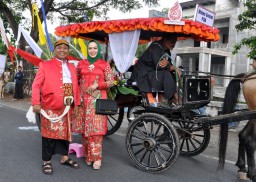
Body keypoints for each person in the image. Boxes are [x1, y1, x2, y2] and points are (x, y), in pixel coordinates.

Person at [31, 39, 81, 175]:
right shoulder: (45, 65)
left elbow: (75, 86)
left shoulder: (71, 67)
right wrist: (35, 102)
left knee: (66, 133)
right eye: (59, 48)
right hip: (50, 106)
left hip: (67, 106)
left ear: (68, 50)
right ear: (55, 50)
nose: (63, 50)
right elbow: (36, 85)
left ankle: (64, 157)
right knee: (49, 135)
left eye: (65, 48)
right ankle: (46, 161)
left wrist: (76, 103)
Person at [74, 39, 114, 170]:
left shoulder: (104, 64)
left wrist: (98, 84)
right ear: (87, 50)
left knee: (96, 129)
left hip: (97, 101)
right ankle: (88, 155)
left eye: (95, 48)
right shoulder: (81, 63)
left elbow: (111, 82)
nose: (92, 51)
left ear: (98, 49)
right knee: (85, 128)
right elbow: (75, 79)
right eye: (90, 48)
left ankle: (96, 157)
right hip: (83, 100)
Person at [128, 35, 179, 106]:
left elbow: (168, 65)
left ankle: (169, 96)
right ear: (165, 40)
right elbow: (160, 66)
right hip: (143, 75)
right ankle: (175, 97)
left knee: (172, 73)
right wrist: (172, 67)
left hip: (153, 74)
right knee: (166, 73)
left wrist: (172, 67)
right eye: (172, 41)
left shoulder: (167, 50)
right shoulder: (156, 47)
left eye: (175, 42)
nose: (173, 44)